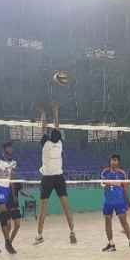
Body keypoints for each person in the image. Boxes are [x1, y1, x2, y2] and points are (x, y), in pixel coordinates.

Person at [34, 103, 77, 245]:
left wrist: (44, 114)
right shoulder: (60, 144)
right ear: (59, 137)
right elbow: (56, 127)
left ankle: (39, 236)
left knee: (44, 209)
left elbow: (44, 127)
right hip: (57, 178)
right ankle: (72, 232)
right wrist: (56, 112)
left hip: (49, 178)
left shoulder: (46, 144)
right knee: (65, 207)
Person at [101, 154, 130, 252]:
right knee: (107, 222)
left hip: (120, 202)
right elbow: (103, 183)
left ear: (118, 162)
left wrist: (128, 201)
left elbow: (126, 188)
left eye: (115, 160)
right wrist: (114, 183)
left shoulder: (122, 173)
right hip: (108, 202)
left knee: (124, 222)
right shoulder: (105, 172)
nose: (113, 162)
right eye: (112, 160)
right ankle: (111, 244)